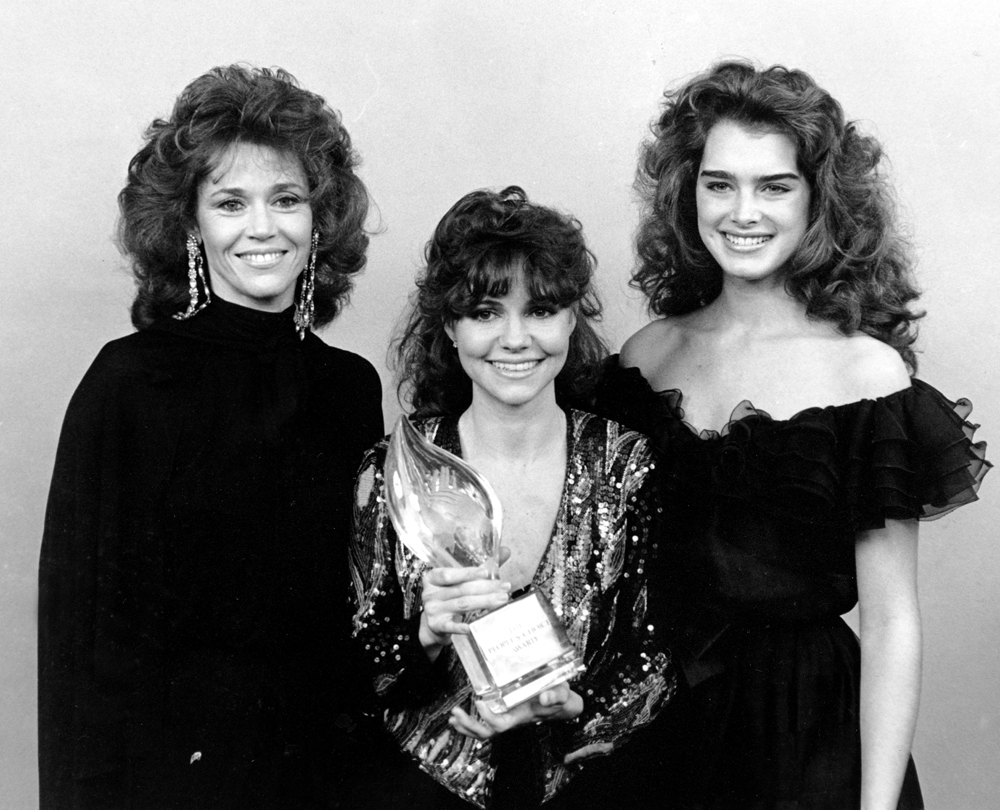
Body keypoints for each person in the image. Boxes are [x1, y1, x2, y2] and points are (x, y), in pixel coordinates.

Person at [592, 60, 991, 809]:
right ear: (689, 193)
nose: (744, 211)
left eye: (774, 185)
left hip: (809, 737)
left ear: (819, 200)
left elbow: (892, 619)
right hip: (661, 727)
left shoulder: (866, 376)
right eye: (720, 184)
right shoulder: (646, 357)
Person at [37, 65, 383, 809]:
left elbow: (356, 611)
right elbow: (82, 645)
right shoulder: (131, 382)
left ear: (319, 219)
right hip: (170, 779)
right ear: (191, 225)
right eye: (232, 203)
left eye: (286, 199)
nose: (263, 228)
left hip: (324, 775)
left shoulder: (350, 388)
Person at [347, 187, 676, 809]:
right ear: (448, 323)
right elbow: (359, 663)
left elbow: (655, 656)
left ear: (573, 316)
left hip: (587, 794)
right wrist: (426, 635)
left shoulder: (628, 465)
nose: (516, 338)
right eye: (485, 312)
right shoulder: (391, 468)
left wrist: (575, 705)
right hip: (418, 792)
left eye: (542, 309)